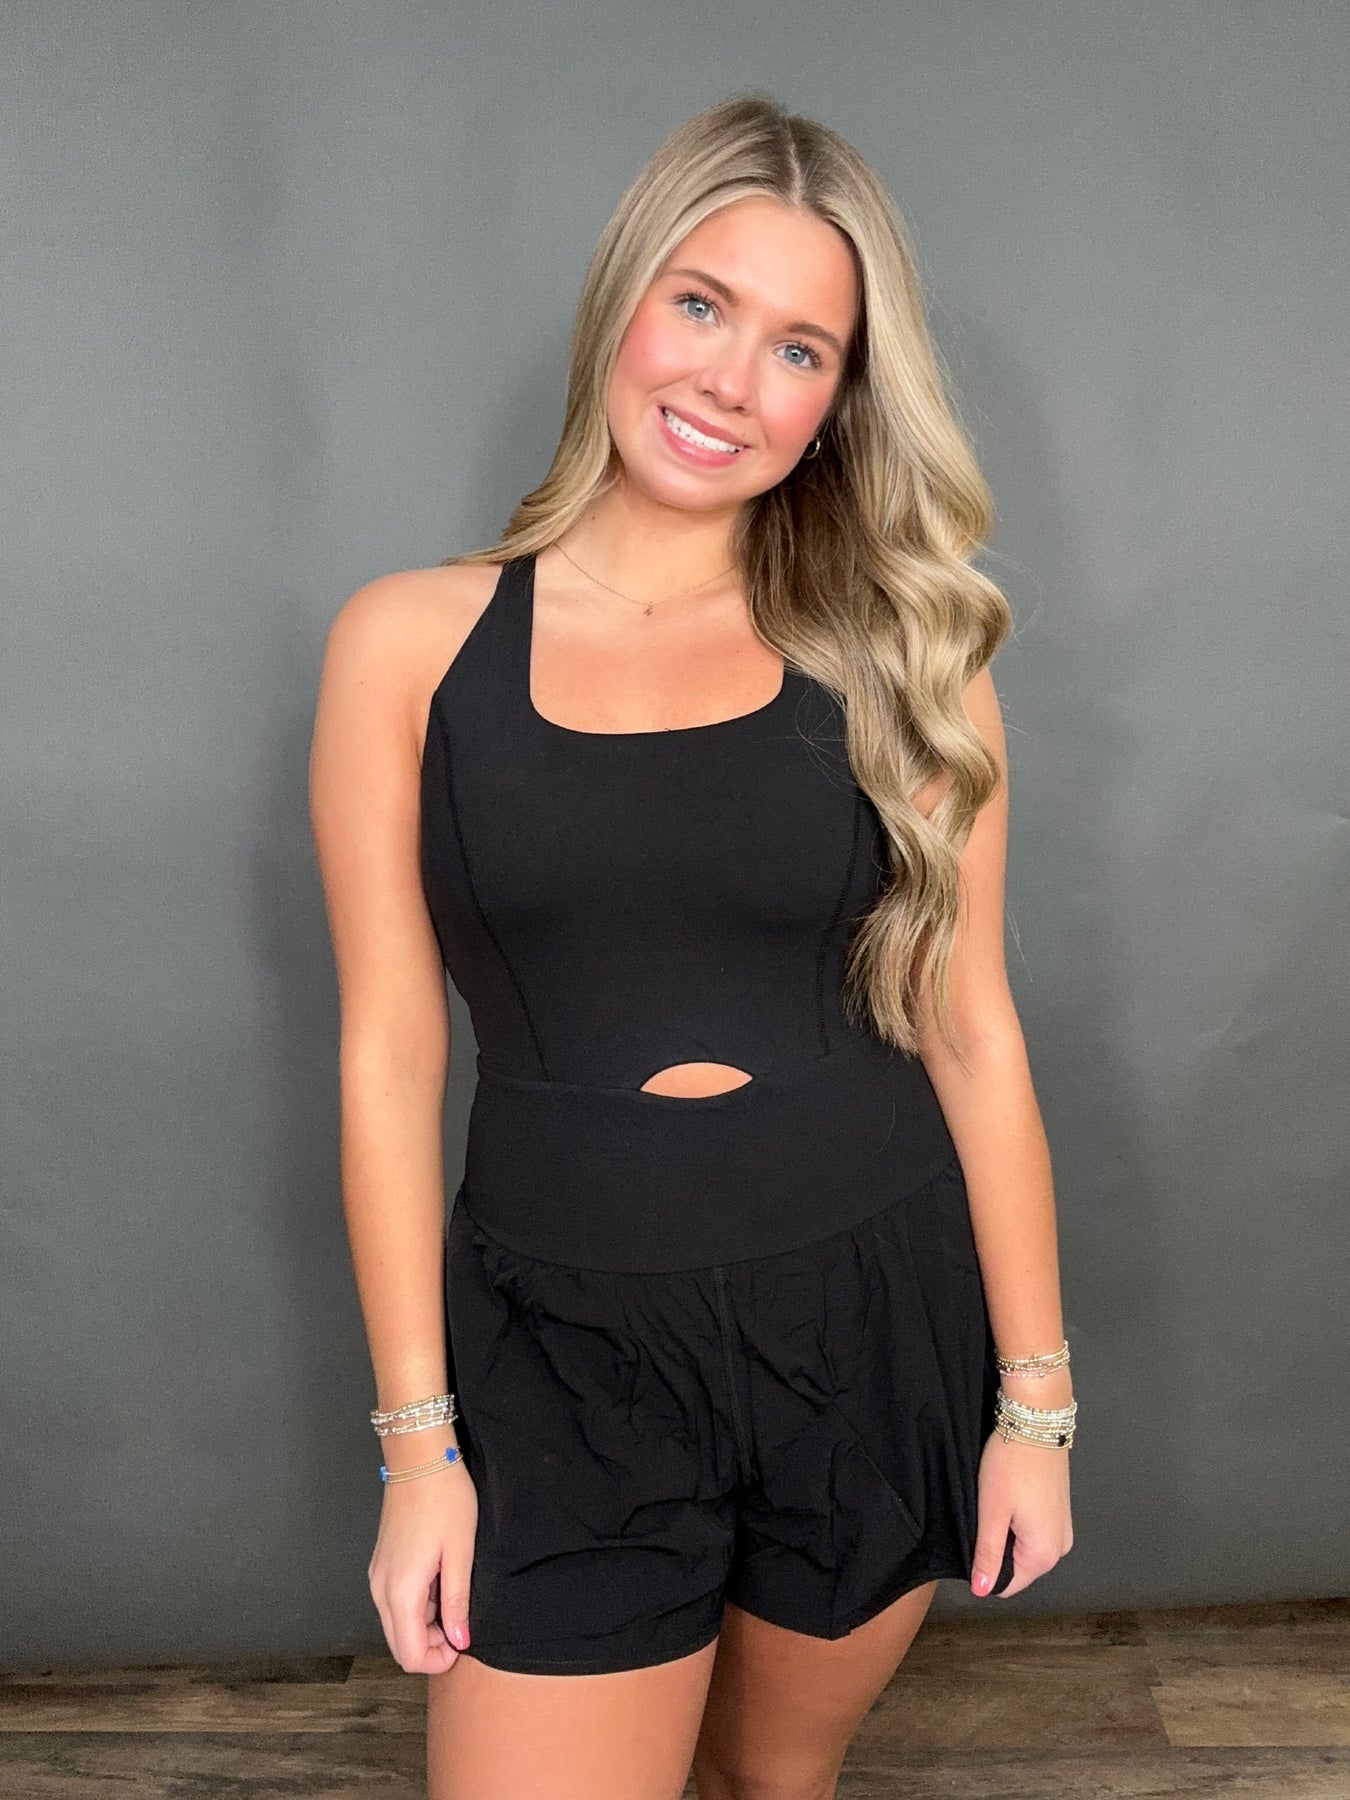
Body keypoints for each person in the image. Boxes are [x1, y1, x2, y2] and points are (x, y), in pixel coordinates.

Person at [309, 91, 1075, 1800]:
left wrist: (1035, 1409)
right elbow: (389, 1056)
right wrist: (419, 1451)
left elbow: (970, 1031)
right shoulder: (409, 646)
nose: (732, 380)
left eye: (799, 349)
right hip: (561, 1353)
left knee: (769, 1787)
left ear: (838, 402)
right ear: (624, 304)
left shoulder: (905, 655)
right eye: (704, 305)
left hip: (870, 1317)